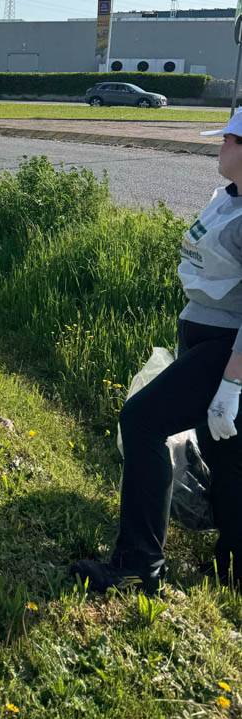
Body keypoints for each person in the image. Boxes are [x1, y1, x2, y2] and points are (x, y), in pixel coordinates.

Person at [72, 110, 242, 594]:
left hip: (226, 349)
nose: (221, 146)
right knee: (225, 452)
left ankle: (138, 563)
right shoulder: (226, 198)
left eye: (229, 138)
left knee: (142, 421)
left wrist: (231, 384)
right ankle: (232, 563)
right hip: (203, 337)